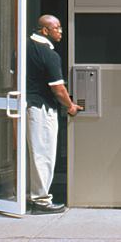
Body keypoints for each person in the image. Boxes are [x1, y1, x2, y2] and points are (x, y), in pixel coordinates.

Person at [25, 14, 81, 212]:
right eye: (57, 28)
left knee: (32, 153)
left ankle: (30, 195)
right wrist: (71, 106)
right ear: (45, 30)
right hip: (41, 109)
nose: (61, 32)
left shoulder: (25, 47)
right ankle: (41, 201)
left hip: (27, 107)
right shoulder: (48, 54)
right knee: (44, 154)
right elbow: (58, 89)